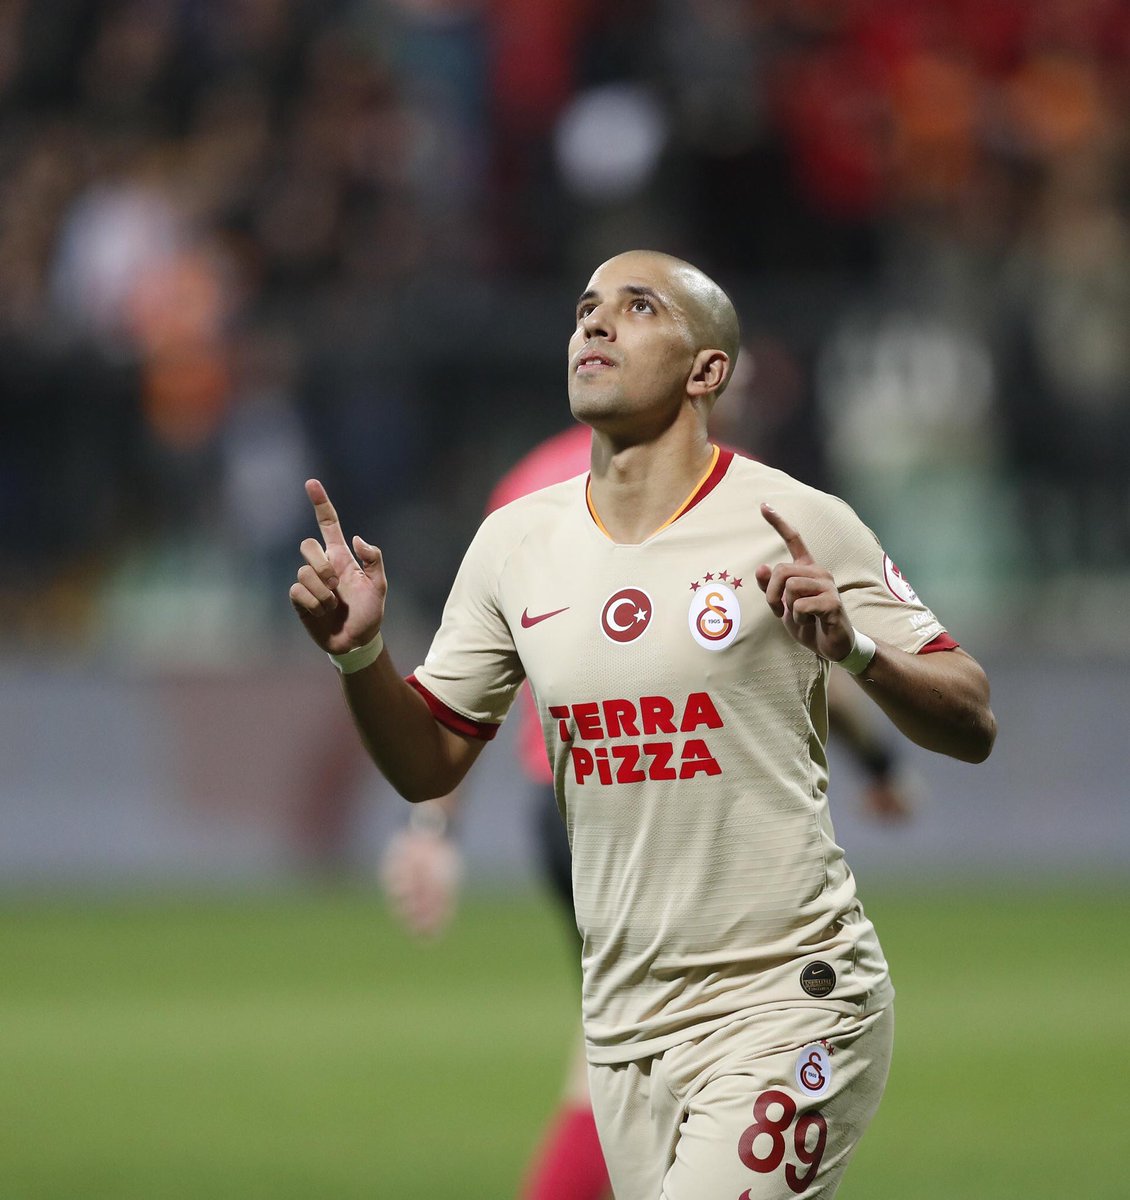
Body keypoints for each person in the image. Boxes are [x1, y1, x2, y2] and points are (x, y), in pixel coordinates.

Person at [289, 250, 996, 1198]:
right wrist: (360, 656)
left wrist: (859, 651)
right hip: (624, 1027)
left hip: (787, 1000)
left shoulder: (796, 518)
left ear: (708, 370)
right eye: (587, 308)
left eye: (639, 307)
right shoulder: (515, 541)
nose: (595, 322)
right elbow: (429, 761)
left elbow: (972, 714)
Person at [379, 419, 915, 1200]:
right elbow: (811, 659)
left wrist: (433, 827)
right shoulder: (741, 497)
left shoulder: (524, 490)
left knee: (620, 1059)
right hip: (687, 810)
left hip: (569, 818)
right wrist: (879, 762)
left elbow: (463, 681)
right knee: (701, 1041)